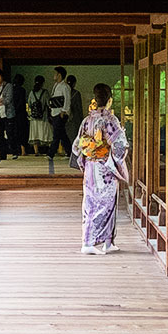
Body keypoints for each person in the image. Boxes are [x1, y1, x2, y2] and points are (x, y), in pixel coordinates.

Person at [70, 83, 129, 254]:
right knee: (106, 204)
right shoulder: (110, 120)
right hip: (105, 168)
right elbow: (119, 146)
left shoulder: (87, 120)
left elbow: (76, 146)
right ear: (109, 100)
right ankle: (89, 243)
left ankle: (107, 242)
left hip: (90, 167)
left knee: (90, 202)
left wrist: (88, 153)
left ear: (96, 100)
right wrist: (116, 159)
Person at [26, 74, 53, 155]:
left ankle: (36, 151)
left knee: (35, 134)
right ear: (43, 83)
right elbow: (49, 104)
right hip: (43, 117)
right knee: (47, 133)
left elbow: (29, 104)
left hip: (34, 118)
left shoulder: (31, 92)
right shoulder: (45, 92)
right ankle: (50, 150)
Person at [48, 66, 71, 158]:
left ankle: (51, 153)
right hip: (55, 112)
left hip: (60, 113)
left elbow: (67, 99)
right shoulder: (56, 85)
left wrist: (64, 111)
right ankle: (70, 152)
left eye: (55, 74)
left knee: (56, 134)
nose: (54, 75)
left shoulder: (65, 86)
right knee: (61, 134)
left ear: (59, 75)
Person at [0, 68, 13, 160]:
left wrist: (0, 101)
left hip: (7, 114)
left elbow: (8, 99)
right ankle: (3, 155)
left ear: (2, 77)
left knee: (10, 133)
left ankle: (14, 151)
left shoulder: (8, 86)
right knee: (0, 136)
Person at [64, 74, 84, 156]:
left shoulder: (64, 92)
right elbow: (79, 108)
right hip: (75, 118)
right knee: (75, 135)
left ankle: (67, 152)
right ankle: (75, 152)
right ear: (74, 83)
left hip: (65, 118)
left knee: (66, 134)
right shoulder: (76, 93)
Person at [9, 73, 28, 159]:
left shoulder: (11, 89)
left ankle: (15, 150)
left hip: (12, 113)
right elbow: (22, 103)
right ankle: (23, 150)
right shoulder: (22, 90)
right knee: (22, 132)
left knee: (14, 132)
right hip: (21, 114)